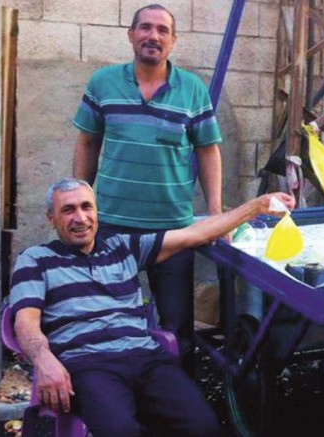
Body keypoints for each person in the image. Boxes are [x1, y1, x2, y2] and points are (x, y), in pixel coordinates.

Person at [8, 178, 295, 437]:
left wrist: (257, 206)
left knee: (202, 426)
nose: (80, 218)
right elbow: (25, 323)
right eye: (68, 210)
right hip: (88, 363)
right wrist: (43, 360)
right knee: (121, 431)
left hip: (144, 356)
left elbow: (194, 235)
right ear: (51, 218)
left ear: (97, 212)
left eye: (87, 207)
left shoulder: (123, 247)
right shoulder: (35, 259)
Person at [72, 4, 223, 374]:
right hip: (110, 226)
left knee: (177, 329)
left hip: (171, 229)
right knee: (103, 320)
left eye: (161, 30)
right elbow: (88, 142)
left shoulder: (192, 90)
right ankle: (111, 396)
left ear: (172, 41)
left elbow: (208, 150)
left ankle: (176, 408)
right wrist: (79, 201)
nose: (152, 36)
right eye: (145, 28)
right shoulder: (103, 82)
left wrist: (217, 212)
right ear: (131, 34)